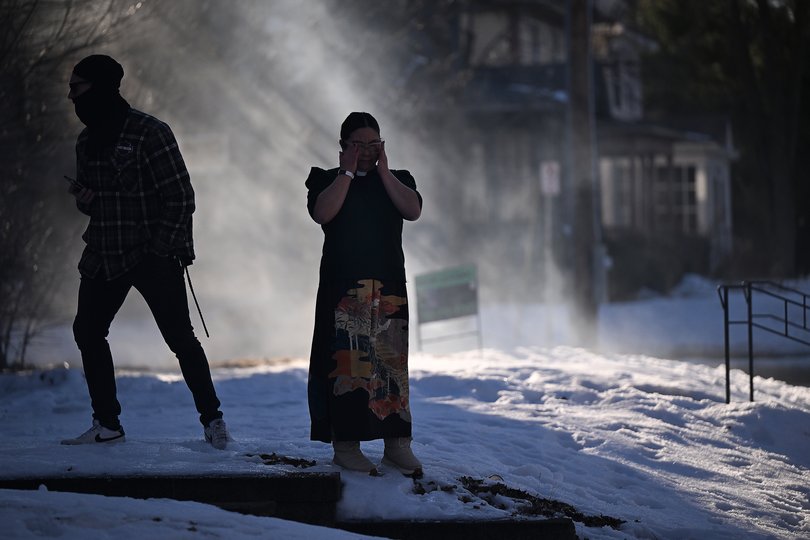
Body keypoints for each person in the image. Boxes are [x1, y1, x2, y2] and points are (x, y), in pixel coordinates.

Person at [60, 54, 229, 449]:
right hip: (104, 251)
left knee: (180, 339)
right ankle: (107, 424)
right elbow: (93, 203)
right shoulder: (86, 141)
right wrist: (85, 199)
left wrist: (159, 249)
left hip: (153, 255)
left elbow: (181, 197)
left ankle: (213, 420)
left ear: (100, 88)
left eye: (77, 87)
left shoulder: (150, 132)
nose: (71, 96)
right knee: (88, 331)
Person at [306, 112, 423, 476]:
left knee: (390, 368)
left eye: (375, 144)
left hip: (388, 289)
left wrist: (384, 171)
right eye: (359, 145)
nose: (368, 151)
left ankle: (397, 445)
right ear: (343, 146)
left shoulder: (398, 180)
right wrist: (346, 171)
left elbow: (413, 210)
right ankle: (346, 446)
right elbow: (323, 213)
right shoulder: (326, 180)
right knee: (348, 368)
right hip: (343, 291)